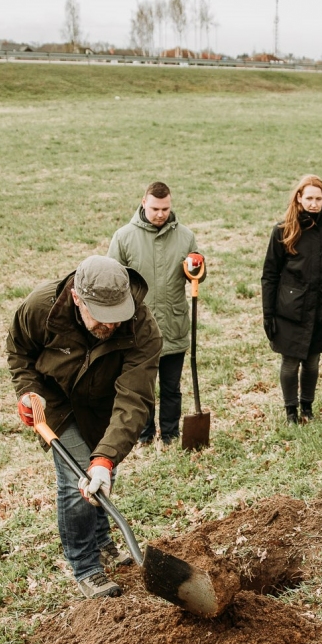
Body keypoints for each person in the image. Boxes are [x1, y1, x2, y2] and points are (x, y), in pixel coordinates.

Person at [7, 255, 162, 599]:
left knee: (101, 474)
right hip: (57, 402)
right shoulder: (41, 307)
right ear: (77, 298)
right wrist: (28, 391)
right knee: (77, 480)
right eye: (102, 318)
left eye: (117, 317)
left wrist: (106, 458)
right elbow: (18, 349)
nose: (111, 326)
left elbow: (135, 397)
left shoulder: (142, 328)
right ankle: (86, 566)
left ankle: (103, 540)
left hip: (104, 403)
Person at [108, 181, 203, 446]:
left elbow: (196, 274)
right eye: (155, 209)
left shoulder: (186, 236)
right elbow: (112, 280)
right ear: (143, 203)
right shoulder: (123, 237)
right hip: (138, 328)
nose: (160, 214)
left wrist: (198, 269)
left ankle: (171, 435)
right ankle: (145, 435)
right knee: (142, 389)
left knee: (171, 388)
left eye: (165, 208)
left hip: (173, 324)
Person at [261, 175, 322, 424]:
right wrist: (268, 314)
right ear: (299, 198)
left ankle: (307, 407)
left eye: (318, 199)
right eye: (309, 198)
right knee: (290, 363)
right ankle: (290, 411)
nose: (313, 203)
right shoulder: (283, 230)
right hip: (290, 309)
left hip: (321, 307)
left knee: (312, 362)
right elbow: (269, 275)